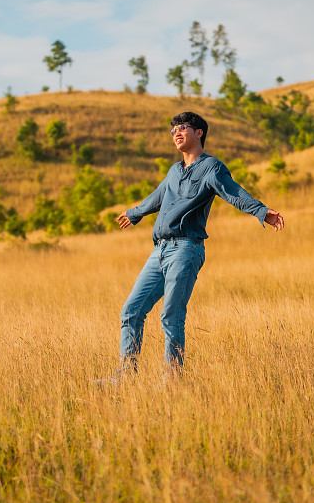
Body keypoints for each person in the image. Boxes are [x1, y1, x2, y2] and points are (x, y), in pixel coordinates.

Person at [114, 111, 285, 376]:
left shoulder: (211, 168)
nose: (176, 133)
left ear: (199, 133)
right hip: (159, 250)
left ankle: (172, 381)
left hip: (185, 249)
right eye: (173, 130)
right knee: (131, 311)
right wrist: (134, 213)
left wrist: (262, 211)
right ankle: (125, 377)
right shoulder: (174, 170)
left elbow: (234, 193)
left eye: (182, 128)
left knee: (171, 317)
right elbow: (156, 198)